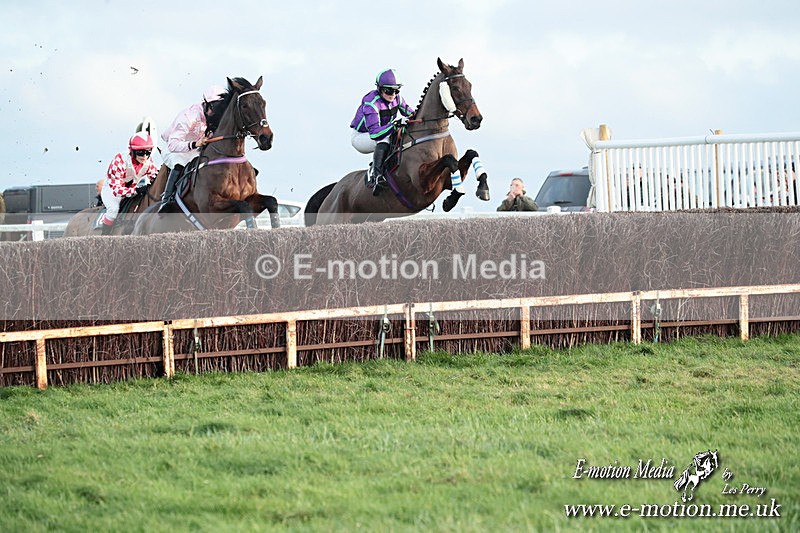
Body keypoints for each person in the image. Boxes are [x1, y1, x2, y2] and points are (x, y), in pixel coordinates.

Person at [158, 85, 227, 212]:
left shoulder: (213, 115)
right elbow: (173, 145)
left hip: (195, 148)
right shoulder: (189, 117)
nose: (216, 114)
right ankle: (166, 200)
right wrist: (195, 144)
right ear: (206, 104)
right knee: (180, 163)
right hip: (173, 148)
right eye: (214, 109)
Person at [350, 69, 414, 195]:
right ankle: (376, 175)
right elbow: (375, 134)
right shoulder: (371, 103)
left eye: (396, 90)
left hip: (381, 132)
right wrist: (395, 124)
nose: (393, 94)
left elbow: (412, 115)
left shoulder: (398, 99)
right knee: (384, 138)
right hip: (361, 136)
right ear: (379, 89)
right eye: (389, 90)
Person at [97, 132, 159, 234]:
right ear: (132, 151)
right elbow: (116, 190)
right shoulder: (119, 161)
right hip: (112, 191)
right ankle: (105, 237)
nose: (144, 156)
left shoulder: (149, 163)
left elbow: (155, 178)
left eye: (148, 152)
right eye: (140, 153)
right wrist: (137, 190)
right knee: (113, 210)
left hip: (131, 191)